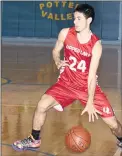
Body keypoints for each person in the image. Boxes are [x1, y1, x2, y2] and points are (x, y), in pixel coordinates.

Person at [12, 4, 122, 151]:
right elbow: (56, 50)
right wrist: (57, 61)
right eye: (74, 18)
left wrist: (90, 101)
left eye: (79, 18)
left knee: (114, 124)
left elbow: (91, 76)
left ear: (89, 20)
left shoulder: (95, 45)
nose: (75, 22)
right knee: (41, 105)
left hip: (86, 87)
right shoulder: (65, 33)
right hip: (66, 84)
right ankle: (34, 139)